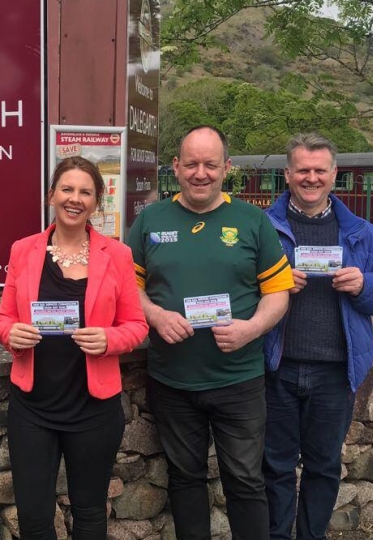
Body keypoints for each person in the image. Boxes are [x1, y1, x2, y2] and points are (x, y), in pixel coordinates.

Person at [126, 125, 294, 540]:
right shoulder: (150, 219)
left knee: (245, 480)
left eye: (210, 164)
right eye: (192, 164)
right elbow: (128, 285)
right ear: (176, 167)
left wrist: (251, 328)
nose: (200, 173)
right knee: (185, 478)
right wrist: (155, 315)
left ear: (227, 168)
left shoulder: (252, 220)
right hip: (173, 380)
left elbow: (279, 293)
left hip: (239, 380)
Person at [0, 156, 149, 540]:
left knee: (91, 512)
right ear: (52, 195)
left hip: (93, 409)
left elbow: (137, 326)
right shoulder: (23, 251)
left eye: (85, 192)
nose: (74, 199)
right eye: (67, 189)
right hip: (32, 408)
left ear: (97, 201)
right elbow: (3, 317)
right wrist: (11, 334)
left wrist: (109, 339)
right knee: (33, 517)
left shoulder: (117, 255)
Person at [261, 134, 373, 540]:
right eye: (302, 170)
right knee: (274, 466)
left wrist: (364, 283)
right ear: (288, 174)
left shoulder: (359, 232)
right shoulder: (263, 228)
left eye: (319, 170)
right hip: (277, 366)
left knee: (324, 466)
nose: (311, 178)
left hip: (335, 372)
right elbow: (236, 283)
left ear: (333, 174)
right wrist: (273, 283)